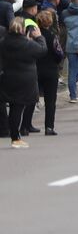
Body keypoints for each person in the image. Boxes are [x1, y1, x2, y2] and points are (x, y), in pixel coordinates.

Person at [1, 18, 45, 148]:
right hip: (25, 79)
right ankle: (15, 137)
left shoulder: (3, 43)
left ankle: (11, 133)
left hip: (7, 77)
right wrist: (39, 37)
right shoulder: (27, 44)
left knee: (11, 106)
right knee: (17, 108)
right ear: (23, 29)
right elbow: (42, 50)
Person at [32, 9, 63, 137]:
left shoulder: (33, 36)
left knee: (31, 98)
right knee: (50, 100)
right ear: (50, 22)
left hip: (35, 69)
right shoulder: (52, 36)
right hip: (51, 70)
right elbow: (59, 53)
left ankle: (25, 125)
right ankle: (49, 127)